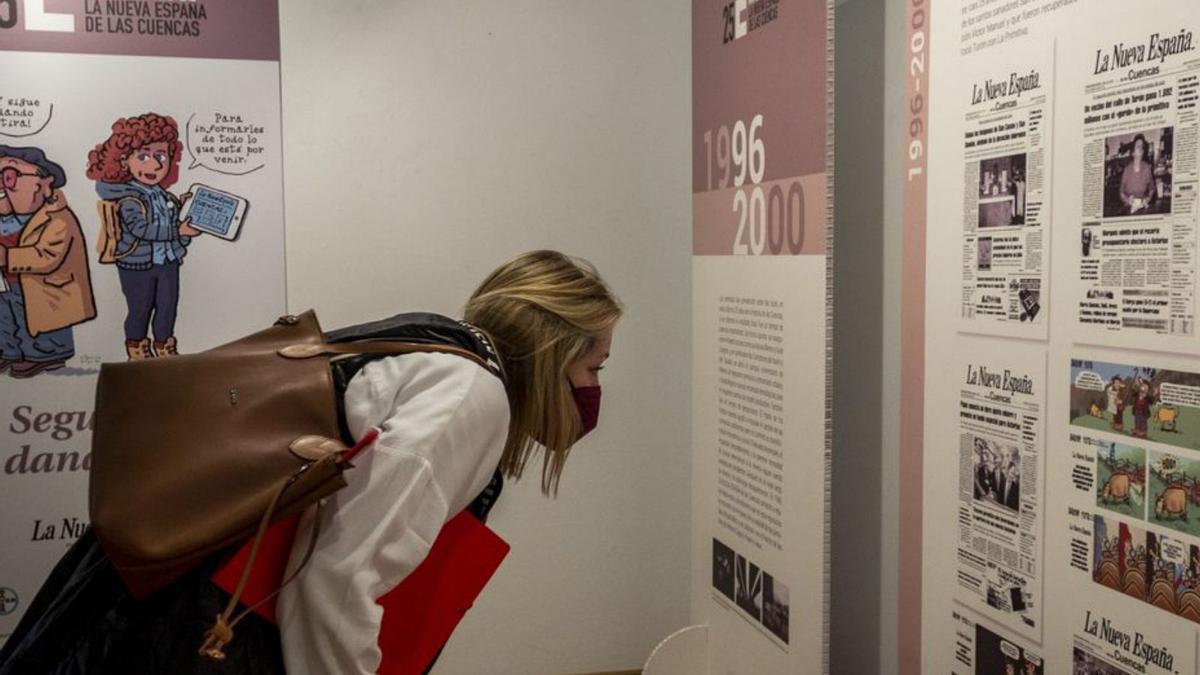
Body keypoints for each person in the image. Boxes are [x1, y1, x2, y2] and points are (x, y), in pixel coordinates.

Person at [0, 249, 622, 675]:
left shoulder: (438, 346)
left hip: (180, 580)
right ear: (549, 351)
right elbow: (335, 579)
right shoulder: (469, 397)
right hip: (206, 618)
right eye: (592, 366)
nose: (593, 389)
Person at [87, 113, 201, 360]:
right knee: (140, 309)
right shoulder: (129, 198)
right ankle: (137, 348)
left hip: (168, 262)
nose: (155, 165)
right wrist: (177, 230)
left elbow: (169, 227)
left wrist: (183, 219)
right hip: (137, 265)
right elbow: (141, 229)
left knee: (167, 307)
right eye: (144, 156)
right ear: (124, 161)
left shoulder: (164, 197)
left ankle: (164, 346)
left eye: (162, 156)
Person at [0, 146, 97, 377]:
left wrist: (8, 257)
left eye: (9, 177)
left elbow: (47, 256)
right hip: (8, 282)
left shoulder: (57, 217)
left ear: (43, 183)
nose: (3, 187)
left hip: (45, 286)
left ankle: (45, 355)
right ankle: (9, 351)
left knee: (40, 323)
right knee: (7, 315)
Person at [1120, 134, 1156, 215]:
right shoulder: (1127, 170)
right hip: (1129, 207)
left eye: (1142, 146)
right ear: (1133, 153)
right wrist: (1127, 200)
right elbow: (1121, 192)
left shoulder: (1147, 169)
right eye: (1138, 146)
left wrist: (1148, 198)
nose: (1140, 148)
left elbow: (1152, 189)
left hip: (1142, 207)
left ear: (1143, 152)